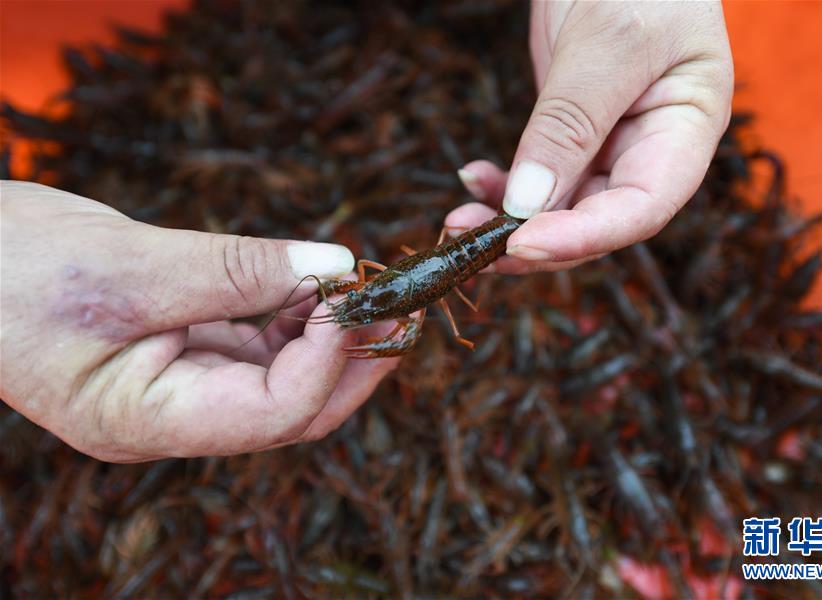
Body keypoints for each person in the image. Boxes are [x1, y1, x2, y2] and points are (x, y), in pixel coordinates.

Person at [0, 2, 733, 461]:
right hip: (447, 258)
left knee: (416, 296)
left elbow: (407, 322)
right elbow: (403, 315)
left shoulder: (407, 289)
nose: (370, 298)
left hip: (464, 244)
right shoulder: (395, 289)